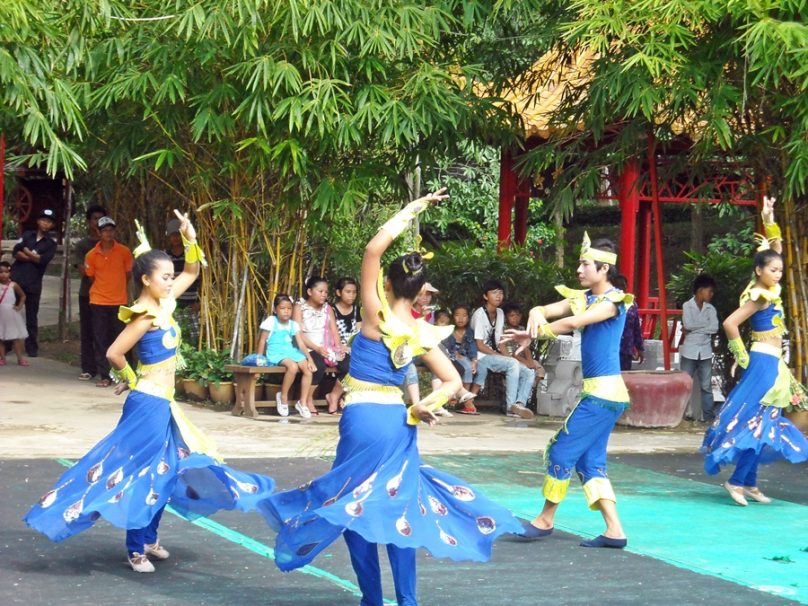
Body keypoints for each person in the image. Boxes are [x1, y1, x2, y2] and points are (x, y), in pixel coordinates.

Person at [258, 189, 521, 605]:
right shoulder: (419, 331)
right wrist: (422, 407)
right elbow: (453, 382)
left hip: (362, 420)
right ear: (418, 294)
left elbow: (372, 249)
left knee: (354, 504)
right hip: (399, 424)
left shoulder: (373, 313)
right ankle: (407, 600)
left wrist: (415, 207)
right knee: (399, 507)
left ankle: (372, 600)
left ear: (386, 283)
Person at [24, 211, 276, 573]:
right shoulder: (143, 314)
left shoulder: (166, 303)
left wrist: (190, 237)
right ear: (146, 279)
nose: (171, 281)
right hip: (147, 403)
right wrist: (127, 378)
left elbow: (193, 271)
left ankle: (150, 537)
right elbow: (114, 352)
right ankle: (135, 547)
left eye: (170, 276)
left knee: (168, 470)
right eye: (165, 277)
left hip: (166, 404)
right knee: (143, 473)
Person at [504, 233, 633, 548]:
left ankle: (545, 520)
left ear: (604, 270)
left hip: (604, 395)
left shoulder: (614, 301)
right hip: (603, 395)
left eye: (585, 264)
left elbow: (575, 322)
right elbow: (547, 310)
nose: (579, 269)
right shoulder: (585, 296)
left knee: (560, 450)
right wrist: (535, 315)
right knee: (590, 463)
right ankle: (615, 531)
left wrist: (536, 333)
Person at [701, 197, 808, 506]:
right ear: (759, 270)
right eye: (773, 269)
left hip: (775, 363)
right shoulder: (760, 295)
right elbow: (730, 323)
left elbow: (774, 248)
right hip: (762, 360)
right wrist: (743, 357)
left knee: (768, 421)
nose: (778, 273)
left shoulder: (770, 290)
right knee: (759, 421)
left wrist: (770, 219)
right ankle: (736, 481)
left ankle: (747, 481)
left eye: (779, 269)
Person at [469, 280, 534, 419]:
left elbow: (500, 342)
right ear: (486, 296)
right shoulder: (479, 315)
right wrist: (503, 358)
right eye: (494, 293)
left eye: (501, 293)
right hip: (480, 357)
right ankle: (511, 408)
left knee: (528, 372)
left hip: (494, 355)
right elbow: (479, 345)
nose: (498, 296)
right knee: (512, 363)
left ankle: (519, 404)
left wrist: (507, 357)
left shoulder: (500, 313)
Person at [84, 216, 134, 387]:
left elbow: (128, 274)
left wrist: (116, 288)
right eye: (104, 230)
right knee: (100, 339)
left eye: (110, 230)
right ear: (98, 232)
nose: (108, 233)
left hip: (119, 301)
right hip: (98, 301)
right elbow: (91, 277)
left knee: (121, 338)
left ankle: (124, 375)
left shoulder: (124, 252)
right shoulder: (91, 255)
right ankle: (105, 376)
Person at [293, 277, 348, 417]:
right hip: (306, 347)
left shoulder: (328, 309)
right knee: (317, 366)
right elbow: (298, 334)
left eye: (326, 291)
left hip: (327, 348)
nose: (324, 294)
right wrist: (316, 348)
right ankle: (308, 399)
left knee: (350, 365)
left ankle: (334, 396)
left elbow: (334, 331)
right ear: (310, 291)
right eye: (320, 291)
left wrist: (339, 348)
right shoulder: (299, 307)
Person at [256, 294, 316, 417]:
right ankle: (283, 397)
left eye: (289, 308)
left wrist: (310, 360)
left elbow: (300, 343)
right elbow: (262, 341)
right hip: (276, 352)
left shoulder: (293, 324)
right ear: (275, 310)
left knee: (308, 370)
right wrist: (259, 360)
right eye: (282, 308)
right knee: (293, 367)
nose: (286, 311)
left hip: (291, 351)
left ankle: (302, 402)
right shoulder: (271, 321)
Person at [11, 208, 57, 357]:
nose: (45, 223)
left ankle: (31, 347)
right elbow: (15, 252)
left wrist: (27, 252)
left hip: (33, 283)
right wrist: (32, 256)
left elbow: (42, 260)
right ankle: (7, 343)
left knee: (32, 316)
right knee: (10, 312)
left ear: (52, 225)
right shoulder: (27, 235)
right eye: (43, 220)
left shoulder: (51, 243)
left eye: (49, 222)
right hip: (17, 280)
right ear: (38, 221)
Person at [73, 205, 107, 380]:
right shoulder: (83, 245)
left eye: (101, 219)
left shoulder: (113, 245)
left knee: (105, 332)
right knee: (87, 331)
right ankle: (88, 367)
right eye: (94, 219)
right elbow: (83, 271)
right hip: (88, 293)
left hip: (109, 296)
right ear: (88, 222)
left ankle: (105, 369)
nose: (97, 223)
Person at [679, 273, 719, 421]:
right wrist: (703, 327)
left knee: (706, 387)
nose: (711, 294)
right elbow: (688, 324)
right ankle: (683, 414)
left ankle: (708, 417)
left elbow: (714, 328)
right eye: (709, 291)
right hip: (690, 350)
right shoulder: (687, 306)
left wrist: (692, 329)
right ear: (701, 290)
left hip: (705, 352)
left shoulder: (711, 309)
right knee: (685, 384)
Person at [326, 277, 363, 414]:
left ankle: (346, 397)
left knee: (364, 363)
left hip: (353, 348)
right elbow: (329, 333)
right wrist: (341, 346)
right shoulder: (331, 310)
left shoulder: (357, 310)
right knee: (348, 366)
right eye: (348, 292)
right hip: (334, 348)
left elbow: (359, 332)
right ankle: (335, 396)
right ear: (338, 292)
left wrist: (352, 347)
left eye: (354, 292)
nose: (351, 295)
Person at [165, 217, 201, 344]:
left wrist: (200, 302)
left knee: (193, 340)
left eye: (178, 235)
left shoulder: (192, 255)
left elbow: (201, 279)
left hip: (192, 305)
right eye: (173, 235)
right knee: (174, 340)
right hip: (172, 305)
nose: (176, 238)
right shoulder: (165, 256)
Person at [437, 305, 479, 415]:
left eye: (464, 316)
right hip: (449, 357)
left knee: (469, 366)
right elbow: (444, 346)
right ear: (453, 317)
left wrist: (474, 361)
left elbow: (473, 348)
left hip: (463, 357)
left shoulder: (470, 332)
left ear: (468, 318)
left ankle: (465, 400)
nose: (460, 319)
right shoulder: (449, 329)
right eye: (457, 315)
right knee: (463, 366)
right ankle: (460, 397)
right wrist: (453, 353)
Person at [502, 301, 544, 388]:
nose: (515, 318)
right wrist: (528, 364)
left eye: (518, 315)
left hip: (522, 357)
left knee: (540, 370)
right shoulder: (503, 329)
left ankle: (529, 389)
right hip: (510, 358)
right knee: (526, 370)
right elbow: (509, 352)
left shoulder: (522, 329)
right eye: (512, 315)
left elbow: (526, 348)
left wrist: (530, 362)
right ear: (506, 317)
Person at [612, 275, 644, 372]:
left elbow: (636, 328)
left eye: (623, 286)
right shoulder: (606, 303)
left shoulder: (632, 305)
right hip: (609, 349)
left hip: (626, 349)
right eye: (617, 286)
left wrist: (640, 348)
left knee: (624, 378)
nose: (621, 288)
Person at [0, 261, 29, 366]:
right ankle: (2, 358)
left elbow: (23, 295)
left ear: (10, 273)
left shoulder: (13, 285)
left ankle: (20, 358)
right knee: (1, 337)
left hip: (11, 315)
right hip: (1, 315)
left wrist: (19, 306)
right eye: (1, 272)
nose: (3, 274)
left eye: (6, 272)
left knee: (15, 338)